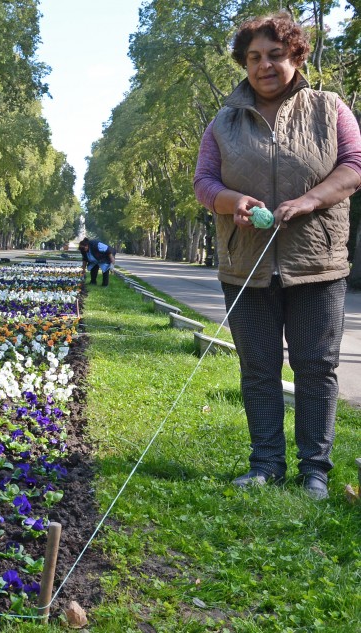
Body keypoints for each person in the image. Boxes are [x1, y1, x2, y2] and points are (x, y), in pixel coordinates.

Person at [193, 13, 361, 500]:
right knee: (258, 368)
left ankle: (315, 471)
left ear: (295, 57)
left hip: (318, 263)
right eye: (253, 57)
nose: (264, 65)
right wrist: (232, 202)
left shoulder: (329, 109)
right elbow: (204, 182)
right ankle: (266, 464)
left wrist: (311, 199)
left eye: (274, 55)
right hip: (246, 265)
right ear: (243, 64)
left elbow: (353, 166)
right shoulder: (223, 122)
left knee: (316, 367)